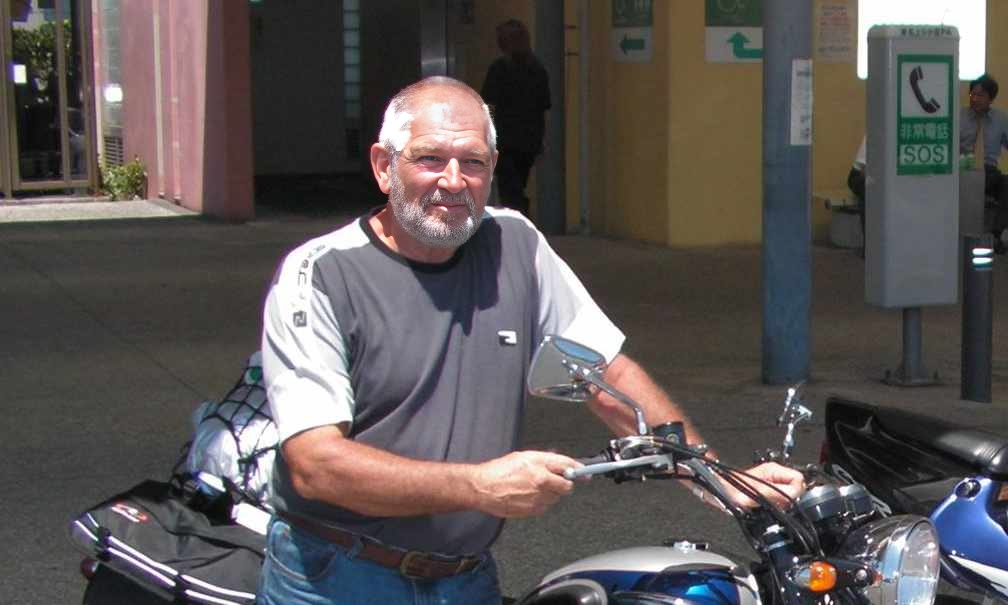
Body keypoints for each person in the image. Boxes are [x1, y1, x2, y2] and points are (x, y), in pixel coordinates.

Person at [257, 76, 805, 605]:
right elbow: (315, 463)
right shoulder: (319, 274)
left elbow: (606, 375)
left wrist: (720, 480)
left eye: (473, 162)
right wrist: (478, 486)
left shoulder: (514, 242)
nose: (454, 180)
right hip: (337, 575)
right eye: (429, 159)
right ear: (383, 166)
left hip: (464, 577)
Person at [480, 19, 551, 216]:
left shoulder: (499, 69)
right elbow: (544, 107)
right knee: (518, 182)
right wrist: (542, 140)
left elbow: (488, 104)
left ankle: (518, 215)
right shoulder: (537, 69)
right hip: (530, 139)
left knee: (509, 187)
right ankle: (520, 213)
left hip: (505, 138)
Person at [960, 73, 1008, 250]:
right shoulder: (959, 116)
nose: (975, 99)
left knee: (1006, 183)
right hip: (964, 169)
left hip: (989, 172)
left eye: (980, 95)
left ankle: (997, 233)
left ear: (991, 98)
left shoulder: (1001, 119)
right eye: (972, 94)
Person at [847, 136, 867, 256]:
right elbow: (865, 170)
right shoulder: (876, 132)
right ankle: (869, 246)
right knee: (870, 191)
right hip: (859, 175)